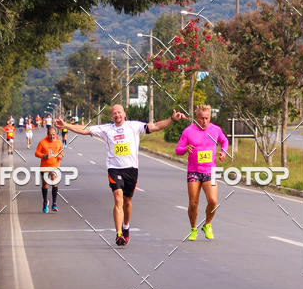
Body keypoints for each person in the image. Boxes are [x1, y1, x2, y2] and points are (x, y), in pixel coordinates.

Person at [56, 104, 185, 246]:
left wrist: (171, 119)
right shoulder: (106, 129)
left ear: (124, 113)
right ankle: (118, 234)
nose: (117, 115)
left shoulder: (134, 126)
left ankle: (126, 226)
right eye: (114, 113)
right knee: (118, 200)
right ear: (112, 116)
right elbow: (85, 130)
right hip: (114, 169)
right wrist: (66, 124)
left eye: (119, 112)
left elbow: (154, 127)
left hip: (131, 170)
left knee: (127, 202)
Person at [175, 104, 228, 241]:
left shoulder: (215, 129)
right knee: (193, 203)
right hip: (194, 171)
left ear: (210, 117)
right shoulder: (188, 131)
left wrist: (223, 152)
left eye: (207, 118)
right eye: (201, 118)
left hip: (210, 170)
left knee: (213, 201)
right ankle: (193, 228)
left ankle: (207, 224)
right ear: (196, 118)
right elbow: (178, 150)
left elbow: (224, 141)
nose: (204, 121)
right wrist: (186, 148)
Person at [35, 125, 64, 212]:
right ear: (47, 134)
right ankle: (45, 202)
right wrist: (44, 156)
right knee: (45, 184)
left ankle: (54, 203)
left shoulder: (59, 142)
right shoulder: (42, 142)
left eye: (54, 134)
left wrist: (60, 156)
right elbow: (36, 153)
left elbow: (62, 152)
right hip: (45, 166)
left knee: (54, 181)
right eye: (50, 134)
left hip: (55, 166)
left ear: (56, 134)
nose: (52, 136)